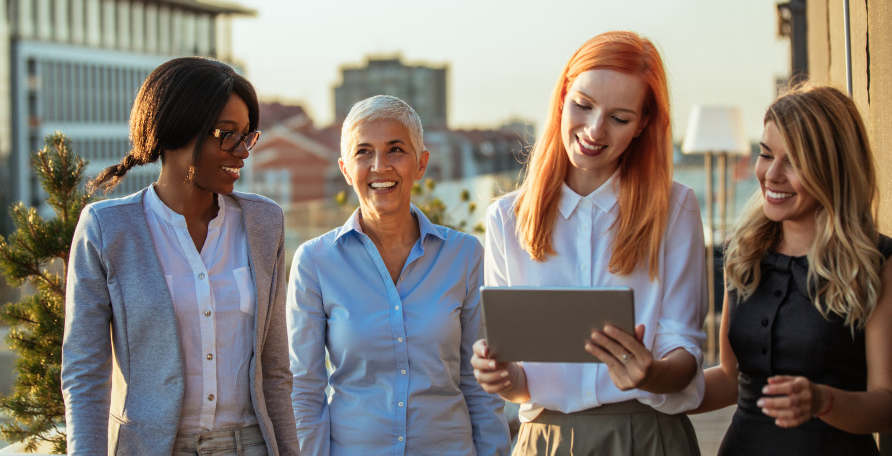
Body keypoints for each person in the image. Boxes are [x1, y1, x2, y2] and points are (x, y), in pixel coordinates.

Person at [471, 31, 707, 455]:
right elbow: (522, 382)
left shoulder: (675, 209)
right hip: (545, 440)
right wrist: (505, 379)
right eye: (583, 105)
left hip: (646, 437)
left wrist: (649, 374)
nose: (594, 130)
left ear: (643, 125)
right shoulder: (507, 218)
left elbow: (685, 353)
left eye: (619, 118)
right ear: (562, 97)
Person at [61, 57, 299, 456]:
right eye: (227, 134)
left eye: (247, 136)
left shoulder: (264, 223)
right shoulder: (108, 229)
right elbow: (85, 374)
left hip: (251, 445)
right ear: (175, 128)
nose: (242, 151)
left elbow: (275, 370)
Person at [286, 95, 510, 455]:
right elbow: (304, 390)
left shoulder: (465, 256)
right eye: (364, 152)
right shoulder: (315, 262)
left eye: (395, 150)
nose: (380, 166)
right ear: (345, 169)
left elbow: (480, 385)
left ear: (420, 164)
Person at [694, 85, 892, 455]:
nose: (772, 175)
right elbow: (729, 379)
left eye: (795, 162)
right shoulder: (743, 253)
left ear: (834, 168)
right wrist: (653, 382)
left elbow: (886, 404)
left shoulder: (878, 261)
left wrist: (822, 401)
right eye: (766, 154)